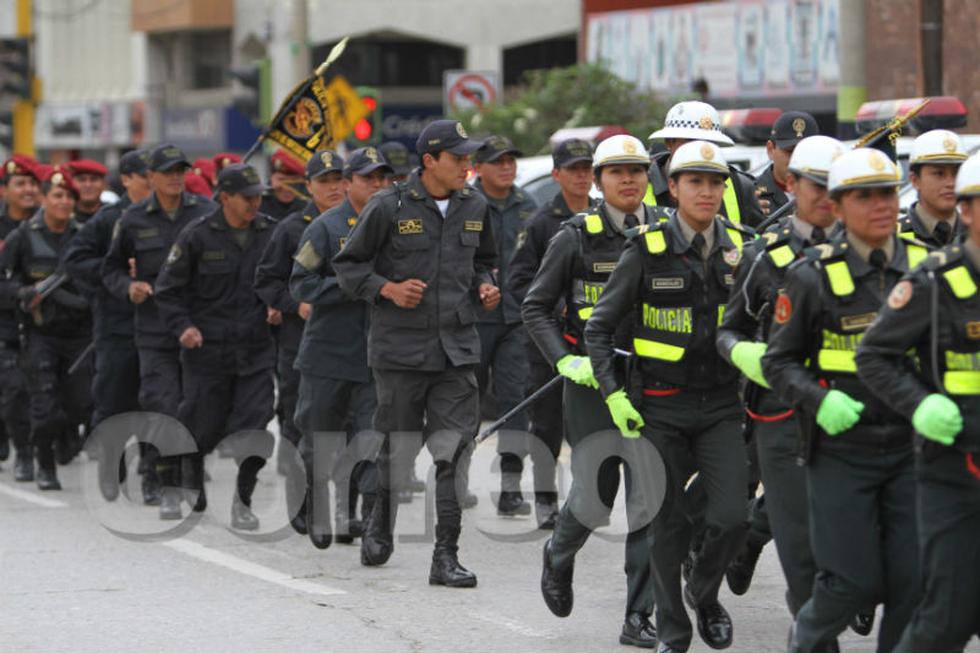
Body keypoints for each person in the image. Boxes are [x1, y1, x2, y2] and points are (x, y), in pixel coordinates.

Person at [585, 140, 755, 652]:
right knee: (666, 525)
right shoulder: (645, 248)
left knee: (732, 518)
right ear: (674, 187)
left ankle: (703, 592)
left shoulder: (743, 250)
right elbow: (599, 329)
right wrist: (614, 394)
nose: (706, 191)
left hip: (723, 407)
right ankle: (673, 633)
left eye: (715, 182)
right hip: (658, 406)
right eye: (695, 182)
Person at [762, 148, 929, 653]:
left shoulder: (926, 269)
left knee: (913, 583)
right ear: (837, 205)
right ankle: (806, 642)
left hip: (911, 449)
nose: (880, 205)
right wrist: (818, 401)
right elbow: (778, 362)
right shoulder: (812, 275)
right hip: (840, 451)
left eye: (886, 193)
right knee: (850, 582)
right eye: (864, 196)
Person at [333, 119, 499, 588]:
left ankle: (445, 556)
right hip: (401, 351)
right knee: (397, 451)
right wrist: (386, 288)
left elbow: (485, 261)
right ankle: (379, 522)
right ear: (430, 161)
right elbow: (348, 267)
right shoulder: (388, 206)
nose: (468, 166)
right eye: (460, 158)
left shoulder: (476, 205)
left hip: (457, 351)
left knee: (453, 452)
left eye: (470, 158)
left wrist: (487, 286)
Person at [525, 134, 659, 648]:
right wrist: (564, 358)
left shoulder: (665, 232)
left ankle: (638, 616)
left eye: (637, 171)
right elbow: (535, 307)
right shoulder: (575, 237)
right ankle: (558, 556)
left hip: (651, 385)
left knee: (650, 499)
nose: (629, 180)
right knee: (594, 500)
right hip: (590, 385)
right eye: (617, 172)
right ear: (599, 182)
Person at [716, 136, 844, 633]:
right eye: (819, 185)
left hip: (852, 411)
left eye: (841, 187)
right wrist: (744, 354)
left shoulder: (874, 255)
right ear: (791, 184)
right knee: (802, 549)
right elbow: (729, 330)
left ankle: (753, 535)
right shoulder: (764, 257)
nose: (830, 196)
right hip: (781, 412)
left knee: (855, 539)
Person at [855, 152, 980, 653]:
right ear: (967, 211)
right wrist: (920, 403)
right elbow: (875, 356)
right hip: (953, 469)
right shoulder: (934, 281)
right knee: (947, 617)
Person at [154, 163, 277, 529]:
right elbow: (168, 291)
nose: (255, 203)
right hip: (207, 351)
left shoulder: (270, 233)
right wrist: (183, 327)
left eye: (258, 197)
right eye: (247, 198)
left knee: (256, 426)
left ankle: (243, 500)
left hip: (255, 349)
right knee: (201, 426)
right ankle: (192, 474)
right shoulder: (197, 235)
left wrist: (278, 303)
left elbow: (288, 280)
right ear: (225, 198)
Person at [102, 143, 216, 519]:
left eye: (180, 170)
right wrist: (128, 288)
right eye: (167, 171)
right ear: (150, 177)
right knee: (162, 404)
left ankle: (191, 470)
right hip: (154, 330)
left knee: (198, 408)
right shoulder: (133, 219)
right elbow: (111, 269)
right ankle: (163, 480)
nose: (175, 177)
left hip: (199, 328)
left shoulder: (206, 213)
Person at [287, 146, 392, 548]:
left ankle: (369, 518)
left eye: (384, 178)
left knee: (372, 438)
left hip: (377, 354)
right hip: (328, 353)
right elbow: (301, 283)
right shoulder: (326, 228)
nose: (378, 186)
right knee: (319, 438)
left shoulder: (399, 225)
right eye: (369, 179)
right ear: (349, 185)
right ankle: (315, 504)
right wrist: (352, 286)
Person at [507, 137, 597, 529]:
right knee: (547, 421)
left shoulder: (603, 216)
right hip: (551, 338)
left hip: (597, 337)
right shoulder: (542, 223)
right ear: (557, 174)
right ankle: (546, 498)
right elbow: (520, 281)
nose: (582, 176)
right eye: (573, 169)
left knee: (591, 421)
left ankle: (587, 495)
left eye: (587, 168)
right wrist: (560, 307)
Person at [63, 149, 154, 501]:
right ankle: (111, 461)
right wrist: (113, 273)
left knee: (157, 399)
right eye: (147, 175)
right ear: (128, 179)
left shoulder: (171, 216)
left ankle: (151, 471)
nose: (153, 182)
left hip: (159, 325)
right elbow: (75, 261)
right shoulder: (107, 220)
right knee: (114, 399)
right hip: (116, 325)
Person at [0, 167, 93, 491]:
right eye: (57, 195)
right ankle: (44, 463)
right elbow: (3, 283)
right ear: (44, 198)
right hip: (42, 335)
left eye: (69, 196)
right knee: (44, 404)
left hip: (81, 335)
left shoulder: (85, 235)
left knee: (81, 402)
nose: (64, 202)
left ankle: (67, 437)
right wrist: (23, 294)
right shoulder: (22, 237)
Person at [255, 149, 345, 476]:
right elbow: (266, 280)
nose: (333, 188)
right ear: (309, 185)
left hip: (349, 338)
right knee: (298, 408)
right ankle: (297, 474)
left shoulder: (364, 222)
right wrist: (297, 305)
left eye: (339, 180)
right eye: (324, 181)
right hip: (300, 339)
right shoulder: (292, 228)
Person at [471, 135, 538, 516]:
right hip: (473, 318)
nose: (506, 167)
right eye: (497, 161)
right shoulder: (466, 205)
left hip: (515, 317)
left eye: (511, 160)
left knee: (515, 402)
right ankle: (456, 474)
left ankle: (510, 487)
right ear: (478, 168)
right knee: (465, 403)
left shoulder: (527, 205)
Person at [645, 100, 766, 228]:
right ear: (669, 142)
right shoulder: (641, 184)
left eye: (709, 143)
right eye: (690, 142)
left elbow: (757, 239)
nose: (700, 150)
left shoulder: (740, 185)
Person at [0, 156, 39, 481]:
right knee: (13, 389)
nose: (27, 190)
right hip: (4, 322)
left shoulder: (51, 222)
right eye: (20, 184)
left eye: (31, 184)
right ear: (4, 191)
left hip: (44, 323)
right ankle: (23, 452)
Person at [900, 129, 969, 247]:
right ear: (915, 180)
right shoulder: (893, 236)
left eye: (957, 173)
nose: (951, 183)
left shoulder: (974, 233)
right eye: (939, 174)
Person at [755, 112, 819, 215]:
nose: (797, 159)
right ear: (771, 149)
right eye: (790, 151)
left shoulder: (827, 193)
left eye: (805, 152)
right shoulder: (752, 195)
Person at [260, 150, 307, 220]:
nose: (287, 188)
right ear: (271, 179)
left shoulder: (308, 210)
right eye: (282, 180)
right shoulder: (256, 207)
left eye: (293, 182)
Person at [67, 159, 109, 223]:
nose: (88, 185)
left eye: (93, 179)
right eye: (82, 180)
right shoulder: (64, 215)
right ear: (72, 184)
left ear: (104, 184)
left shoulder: (113, 215)